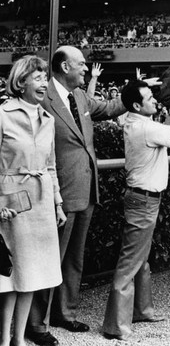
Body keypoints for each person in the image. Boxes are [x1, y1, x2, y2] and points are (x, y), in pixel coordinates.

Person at [26, 46, 160, 346]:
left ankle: (66, 313)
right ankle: (37, 324)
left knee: (74, 258)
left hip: (86, 190)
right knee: (50, 259)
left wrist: (137, 92)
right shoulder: (42, 97)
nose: (86, 69)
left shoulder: (81, 97)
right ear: (63, 67)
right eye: (82, 65)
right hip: (56, 192)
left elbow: (111, 108)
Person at [101, 81, 170, 340]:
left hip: (144, 199)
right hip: (143, 200)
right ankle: (116, 326)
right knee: (130, 263)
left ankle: (142, 310)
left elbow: (165, 128)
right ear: (137, 105)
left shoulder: (138, 123)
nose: (155, 101)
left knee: (140, 259)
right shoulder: (145, 127)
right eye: (149, 98)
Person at [0, 55, 66, 346]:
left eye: (45, 78)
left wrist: (58, 203)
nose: (44, 83)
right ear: (21, 81)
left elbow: (50, 165)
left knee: (34, 273)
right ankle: (4, 339)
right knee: (12, 275)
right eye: (37, 77)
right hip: (11, 203)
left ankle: (19, 339)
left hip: (40, 203)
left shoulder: (48, 119)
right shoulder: (2, 114)